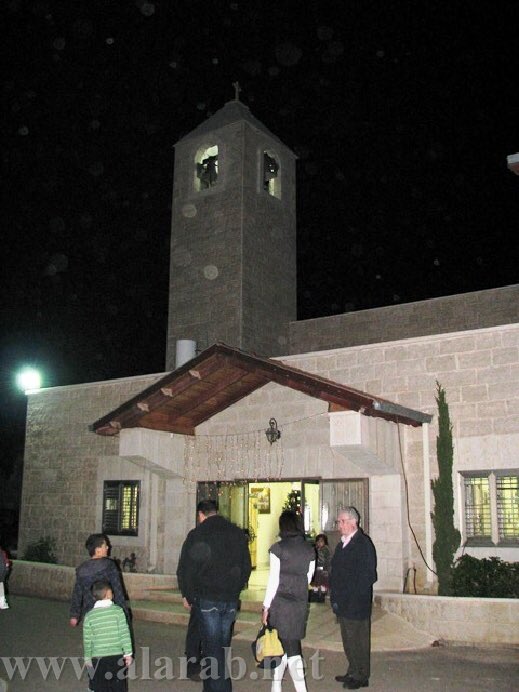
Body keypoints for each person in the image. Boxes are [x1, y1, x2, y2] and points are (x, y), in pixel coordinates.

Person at [177, 499, 251, 692]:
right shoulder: (236, 532)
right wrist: (236, 588)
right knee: (220, 646)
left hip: (208, 598)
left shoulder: (198, 533)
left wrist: (188, 594)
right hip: (230, 599)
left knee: (213, 648)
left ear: (201, 514)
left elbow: (186, 568)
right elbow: (245, 567)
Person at [262, 510, 315, 692]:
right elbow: (308, 577)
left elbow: (273, 580)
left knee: (290, 649)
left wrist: (266, 606)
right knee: (284, 644)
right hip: (299, 603)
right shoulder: (309, 549)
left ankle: (299, 689)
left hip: (281, 603)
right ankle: (275, 686)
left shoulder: (278, 548)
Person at [330, 507, 377, 690]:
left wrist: (353, 596)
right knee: (348, 640)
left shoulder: (363, 543)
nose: (339, 525)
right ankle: (352, 670)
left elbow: (368, 575)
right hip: (343, 603)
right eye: (338, 521)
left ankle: (362, 675)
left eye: (341, 521)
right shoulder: (342, 543)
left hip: (356, 603)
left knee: (359, 641)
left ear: (352, 522)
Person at [83, 580, 133, 691]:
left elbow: (87, 640)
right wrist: (128, 654)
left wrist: (87, 658)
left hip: (97, 658)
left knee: (99, 686)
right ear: (109, 594)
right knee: (118, 685)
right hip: (116, 657)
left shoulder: (89, 616)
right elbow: (124, 634)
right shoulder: (118, 612)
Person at [70, 534, 129, 627]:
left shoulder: (82, 569)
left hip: (90, 613)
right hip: (108, 611)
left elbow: (77, 593)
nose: (107, 547)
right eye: (104, 545)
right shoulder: (109, 565)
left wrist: (74, 615)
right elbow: (118, 590)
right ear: (98, 550)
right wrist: (124, 612)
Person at [0, 544, 11, 610]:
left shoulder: (3, 553)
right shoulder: (3, 552)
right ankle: (2, 603)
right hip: (2, 574)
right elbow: (7, 564)